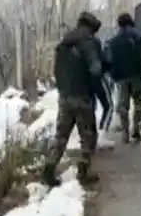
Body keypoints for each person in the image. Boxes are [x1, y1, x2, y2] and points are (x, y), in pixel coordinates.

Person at [42, 11, 104, 187]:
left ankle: (49, 169)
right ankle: (83, 172)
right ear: (90, 27)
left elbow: (57, 69)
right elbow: (96, 70)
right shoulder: (88, 42)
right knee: (88, 135)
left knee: (61, 135)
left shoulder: (64, 42)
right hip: (82, 96)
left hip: (65, 96)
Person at [106, 13, 141, 143]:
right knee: (139, 103)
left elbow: (110, 60)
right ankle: (136, 127)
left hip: (121, 77)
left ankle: (125, 132)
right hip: (137, 76)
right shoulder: (138, 37)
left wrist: (114, 75)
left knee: (124, 105)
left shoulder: (114, 40)